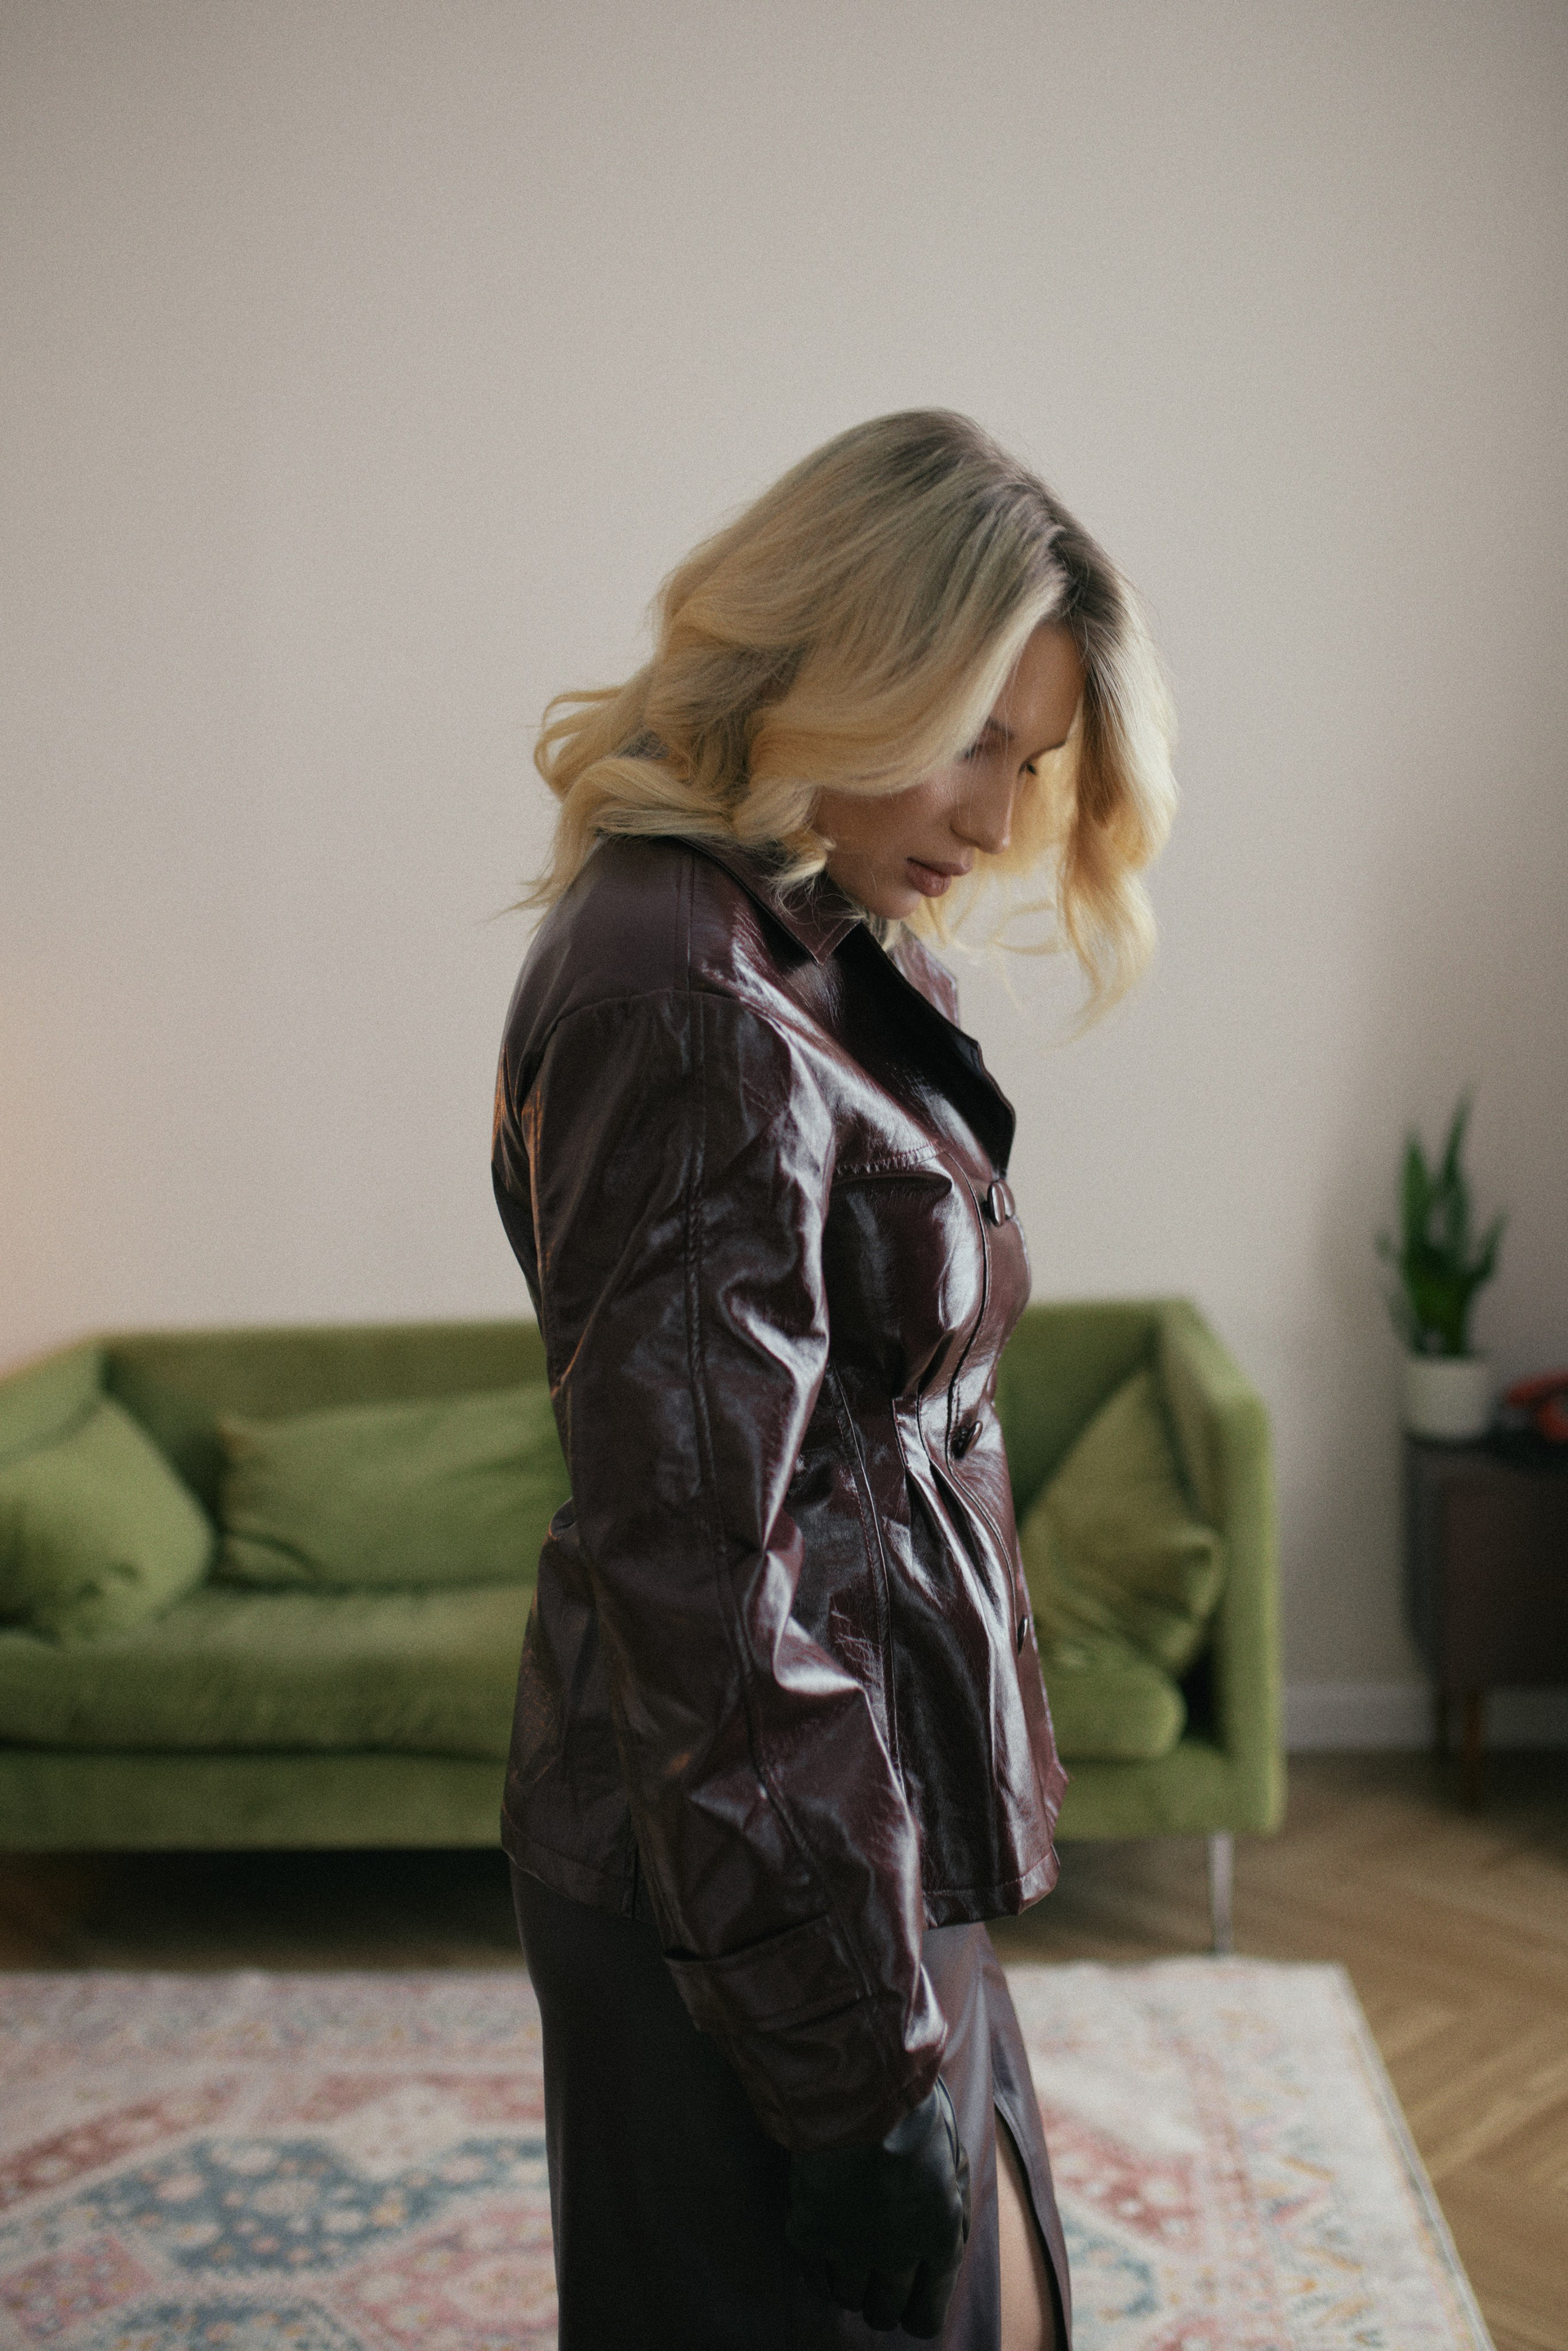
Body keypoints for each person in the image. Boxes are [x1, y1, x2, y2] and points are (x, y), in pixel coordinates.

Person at [491, 410, 1175, 2349]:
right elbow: (711, 1585)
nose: (1000, 819)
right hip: (771, 1891)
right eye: (974, 740)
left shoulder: (797, 945)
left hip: (844, 1843)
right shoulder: (683, 989)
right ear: (844, 663)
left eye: (1031, 763)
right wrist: (851, 2061)